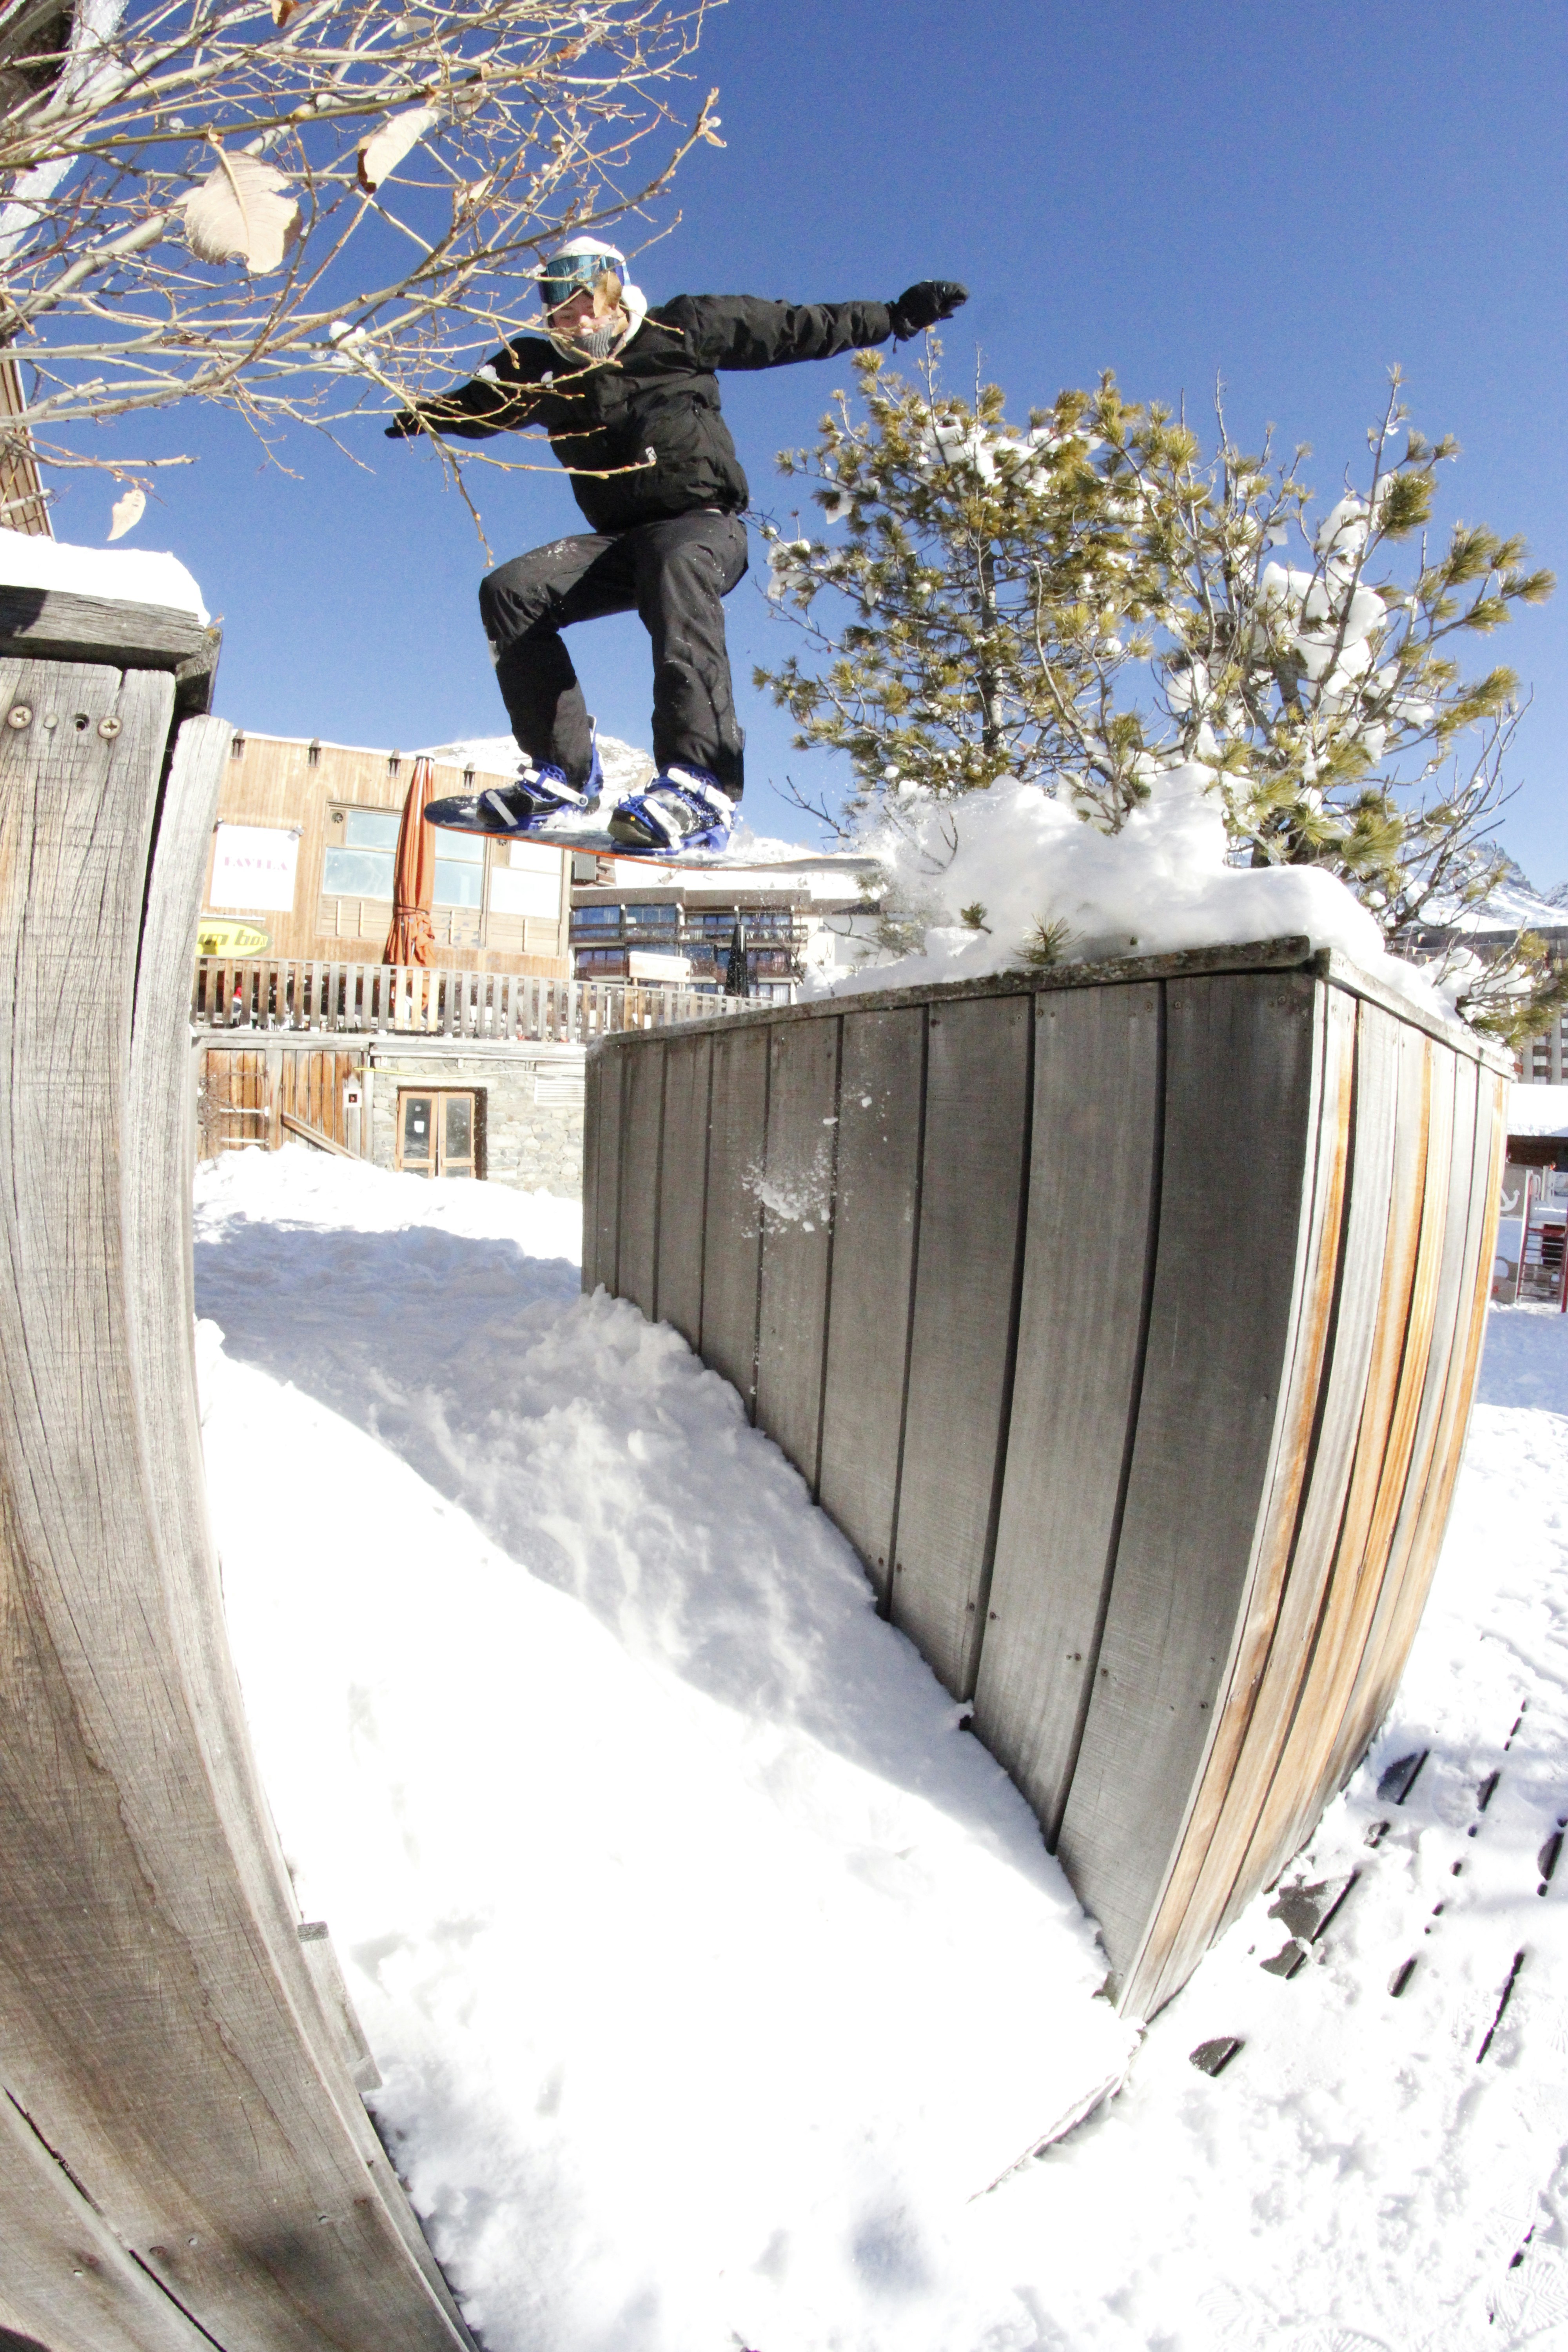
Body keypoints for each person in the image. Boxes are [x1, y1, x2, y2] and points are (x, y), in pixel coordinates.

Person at [386, 238, 967, 854]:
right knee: (512, 591)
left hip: (702, 526)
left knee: (674, 559)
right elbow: (484, 403)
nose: (577, 320)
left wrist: (893, 317)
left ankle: (701, 783)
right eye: (560, 311)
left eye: (588, 302)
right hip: (619, 544)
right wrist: (427, 414)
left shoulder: (681, 326)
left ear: (616, 293)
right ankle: (563, 775)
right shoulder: (543, 369)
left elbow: (795, 328)